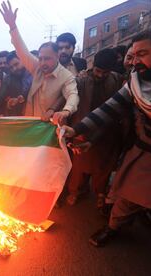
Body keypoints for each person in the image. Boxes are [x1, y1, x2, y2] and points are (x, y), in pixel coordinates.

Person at [60, 24, 151, 269]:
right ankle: (113, 228)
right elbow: (110, 108)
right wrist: (77, 129)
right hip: (146, 150)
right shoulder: (137, 81)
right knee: (126, 196)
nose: (134, 62)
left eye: (142, 54)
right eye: (133, 55)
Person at [0, 1, 79, 125]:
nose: (42, 63)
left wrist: (65, 111)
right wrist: (12, 26)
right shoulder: (37, 67)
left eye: (47, 59)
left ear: (57, 56)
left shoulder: (66, 76)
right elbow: (22, 51)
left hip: (48, 127)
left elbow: (72, 95)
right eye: (40, 58)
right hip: (29, 122)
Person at [64, 49, 124, 210]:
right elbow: (71, 101)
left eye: (105, 72)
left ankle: (100, 193)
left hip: (106, 131)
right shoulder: (81, 80)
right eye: (98, 71)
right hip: (81, 128)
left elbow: (118, 108)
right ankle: (75, 192)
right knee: (78, 167)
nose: (100, 75)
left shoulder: (117, 80)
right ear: (93, 65)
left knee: (102, 168)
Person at [0, 51, 32, 115]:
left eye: (16, 64)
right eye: (11, 67)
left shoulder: (34, 74)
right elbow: (2, 95)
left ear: (23, 60)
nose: (14, 69)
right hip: (17, 117)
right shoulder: (8, 78)